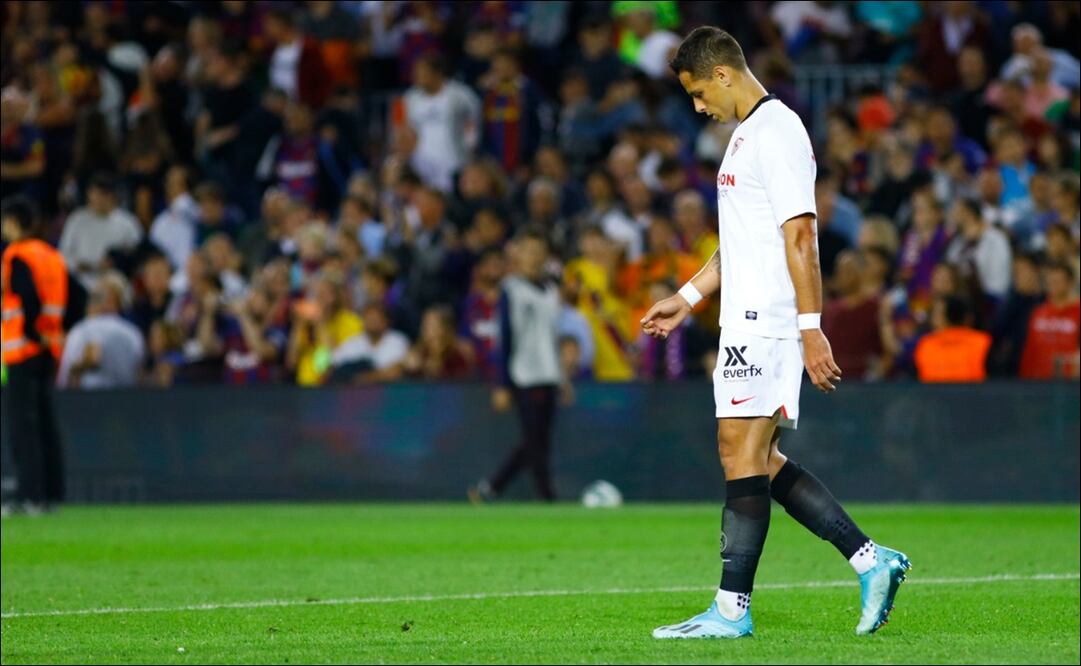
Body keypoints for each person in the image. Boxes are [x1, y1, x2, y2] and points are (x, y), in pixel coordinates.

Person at [641, 27, 909, 640]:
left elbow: (801, 235)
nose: (697, 107)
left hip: (769, 320)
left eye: (698, 93)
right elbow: (742, 241)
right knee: (754, 456)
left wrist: (811, 329)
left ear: (723, 74)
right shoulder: (745, 136)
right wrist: (688, 298)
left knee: (741, 452)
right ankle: (871, 561)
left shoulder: (779, 131)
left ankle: (731, 610)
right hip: (744, 319)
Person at [469, 230, 570, 503]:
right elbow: (505, 337)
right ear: (518, 255)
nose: (533, 257)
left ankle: (491, 489)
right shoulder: (511, 290)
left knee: (538, 440)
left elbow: (554, 337)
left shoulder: (551, 291)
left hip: (549, 374)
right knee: (535, 440)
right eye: (528, 251)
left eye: (538, 252)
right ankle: (547, 497)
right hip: (525, 374)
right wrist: (502, 383)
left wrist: (563, 378)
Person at [1, 197, 71, 515]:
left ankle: (29, 495)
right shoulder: (52, 256)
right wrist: (53, 331)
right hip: (48, 348)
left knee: (23, 426)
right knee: (45, 423)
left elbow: (26, 296)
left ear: (15, 222)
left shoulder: (18, 255)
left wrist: (31, 331)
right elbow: (76, 296)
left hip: (23, 348)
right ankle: (52, 493)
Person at [57, 272, 144, 389]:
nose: (89, 303)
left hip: (89, 397)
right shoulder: (133, 333)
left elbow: (93, 357)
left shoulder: (87, 329)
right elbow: (140, 374)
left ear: (112, 300)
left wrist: (77, 368)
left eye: (96, 297)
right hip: (129, 397)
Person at [913, 296, 992, 383]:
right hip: (976, 391)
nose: (933, 320)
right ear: (966, 318)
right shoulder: (983, 342)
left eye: (936, 315)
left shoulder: (925, 345)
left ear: (944, 319)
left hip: (931, 391)